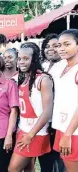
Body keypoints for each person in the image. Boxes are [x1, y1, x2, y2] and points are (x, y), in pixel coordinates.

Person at [8, 42, 54, 172]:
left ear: (34, 60)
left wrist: (30, 135)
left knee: (13, 168)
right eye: (20, 59)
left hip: (35, 132)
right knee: (28, 168)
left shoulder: (43, 80)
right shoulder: (19, 78)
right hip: (22, 128)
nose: (21, 62)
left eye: (26, 59)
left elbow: (47, 112)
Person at [39, 34, 66, 172]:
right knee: (46, 157)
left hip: (59, 120)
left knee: (60, 159)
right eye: (47, 46)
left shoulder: (66, 66)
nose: (50, 49)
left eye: (55, 46)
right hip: (45, 119)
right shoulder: (44, 65)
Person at [52, 29, 78, 172]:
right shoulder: (61, 66)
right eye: (59, 45)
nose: (61, 49)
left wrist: (68, 134)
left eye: (67, 44)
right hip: (62, 127)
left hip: (73, 131)